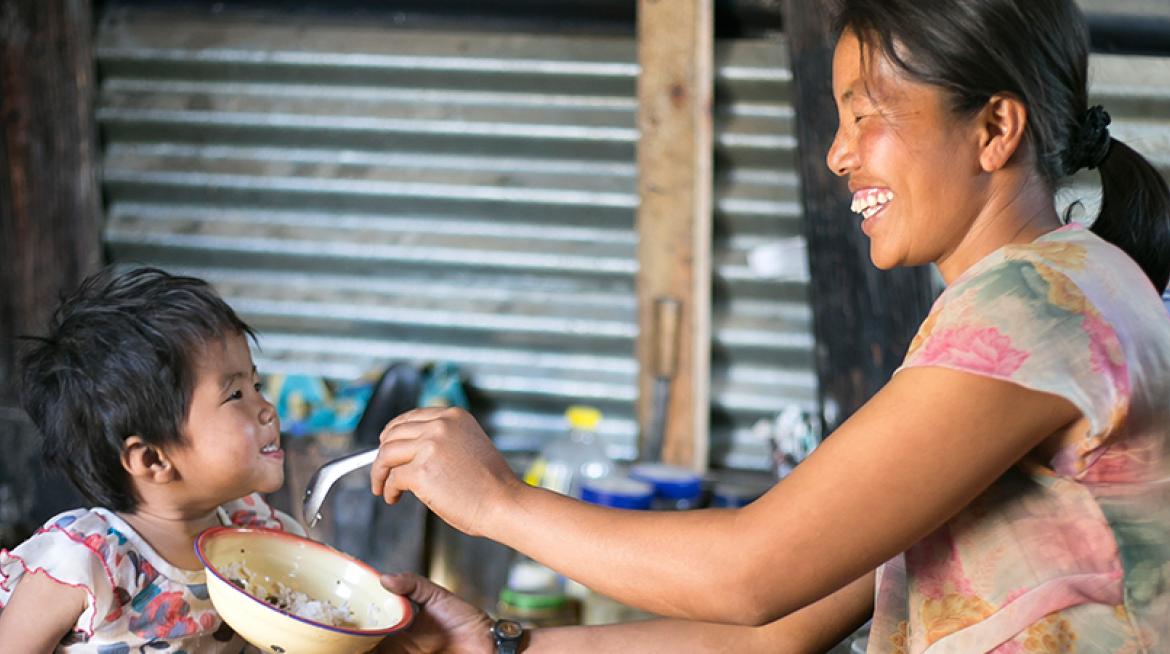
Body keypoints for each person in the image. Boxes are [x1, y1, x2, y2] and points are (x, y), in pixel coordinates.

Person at [368, 0, 1170, 651]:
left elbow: (749, 578)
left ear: (995, 130)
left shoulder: (1035, 305)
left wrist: (499, 502)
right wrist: (501, 646)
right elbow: (774, 633)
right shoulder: (1051, 298)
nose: (838, 155)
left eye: (868, 117)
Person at [0, 267, 299, 652]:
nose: (267, 410)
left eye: (255, 386)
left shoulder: (256, 530)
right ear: (153, 459)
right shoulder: (86, 563)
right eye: (235, 395)